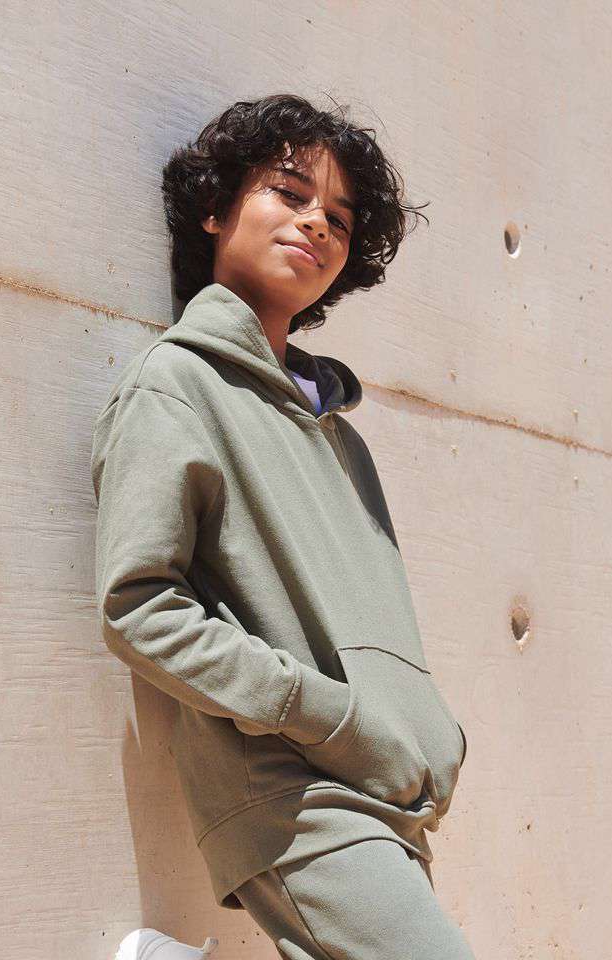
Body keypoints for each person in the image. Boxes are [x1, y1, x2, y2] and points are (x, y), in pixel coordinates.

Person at [92, 94, 474, 960]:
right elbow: (138, 607)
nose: (317, 223)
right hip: (289, 791)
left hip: (385, 795)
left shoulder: (339, 434)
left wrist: (426, 734)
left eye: (339, 216)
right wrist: (324, 714)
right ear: (215, 209)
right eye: (290, 193)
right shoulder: (175, 386)